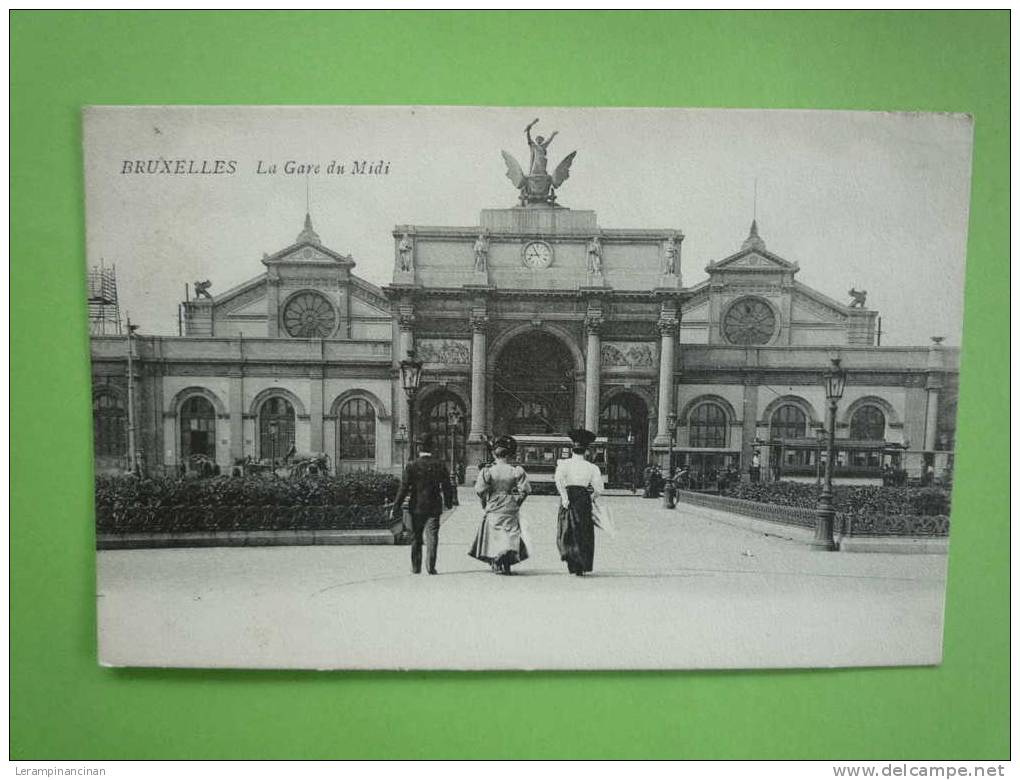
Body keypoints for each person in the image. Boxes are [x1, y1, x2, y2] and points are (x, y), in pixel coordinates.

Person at [391, 433, 457, 575]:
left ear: (418, 448)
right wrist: (449, 502)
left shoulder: (412, 465)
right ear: (432, 447)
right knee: (432, 536)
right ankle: (431, 567)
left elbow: (403, 488)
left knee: (416, 537)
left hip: (416, 506)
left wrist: (396, 506)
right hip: (434, 506)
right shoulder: (439, 464)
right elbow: (447, 486)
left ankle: (416, 567)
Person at [468, 435, 531, 575]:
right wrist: (517, 502)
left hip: (494, 503)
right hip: (510, 504)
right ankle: (507, 562)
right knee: (510, 533)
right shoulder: (516, 470)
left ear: (494, 454)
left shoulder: (488, 471)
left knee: (494, 534)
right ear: (508, 454)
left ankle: (496, 561)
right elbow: (525, 490)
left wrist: (485, 502)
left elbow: (479, 490)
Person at [554, 428, 604, 576]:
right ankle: (581, 564)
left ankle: (571, 561)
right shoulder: (592, 467)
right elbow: (599, 488)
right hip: (583, 498)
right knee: (584, 531)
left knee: (567, 530)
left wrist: (564, 498)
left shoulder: (564, 464)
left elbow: (559, 480)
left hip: (569, 497)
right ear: (586, 451)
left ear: (572, 449)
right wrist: (592, 497)